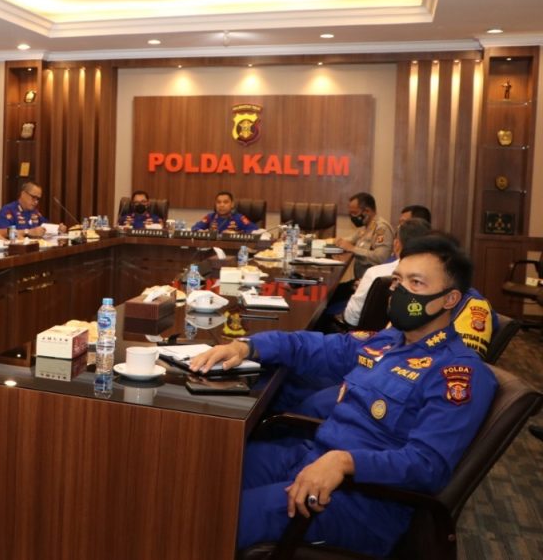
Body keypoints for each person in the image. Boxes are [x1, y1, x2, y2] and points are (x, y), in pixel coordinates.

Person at [190, 235, 496, 555]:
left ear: (449, 299)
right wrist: (247, 347)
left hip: (361, 500)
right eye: (398, 280)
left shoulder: (457, 372)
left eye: (416, 283)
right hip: (313, 456)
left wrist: (346, 462)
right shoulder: (388, 341)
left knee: (216, 519)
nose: (400, 290)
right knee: (208, 468)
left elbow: (427, 466)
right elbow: (313, 347)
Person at [337, 218, 432, 328]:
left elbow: (351, 318)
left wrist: (366, 288)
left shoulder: (375, 274)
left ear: (396, 244)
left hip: (365, 335)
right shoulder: (435, 277)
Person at [335, 192, 393, 280]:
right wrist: (336, 241)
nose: (352, 217)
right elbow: (350, 240)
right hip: (361, 280)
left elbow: (381, 257)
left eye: (354, 213)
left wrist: (353, 249)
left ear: (367, 211)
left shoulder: (382, 229)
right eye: (350, 213)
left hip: (372, 282)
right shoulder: (366, 226)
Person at [0, 181, 65, 236]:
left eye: (38, 199)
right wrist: (28, 232)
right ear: (23, 194)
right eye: (33, 197)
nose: (36, 202)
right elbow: (4, 233)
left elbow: (45, 226)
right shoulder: (8, 210)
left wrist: (58, 228)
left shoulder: (35, 212)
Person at [191, 190, 257, 233]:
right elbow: (195, 228)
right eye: (218, 202)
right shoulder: (210, 217)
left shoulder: (239, 218)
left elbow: (255, 229)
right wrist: (206, 232)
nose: (221, 205)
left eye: (225, 202)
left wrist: (237, 232)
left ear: (232, 204)